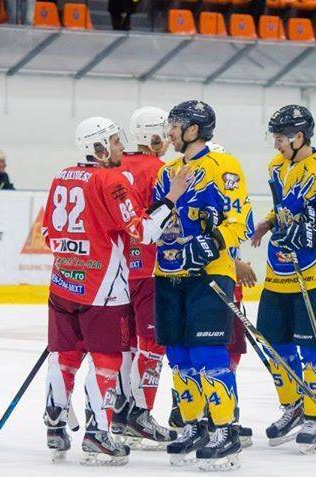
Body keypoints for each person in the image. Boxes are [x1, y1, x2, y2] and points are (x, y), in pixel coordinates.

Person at [42, 116, 189, 466]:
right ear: (98, 148)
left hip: (62, 283)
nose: (122, 147)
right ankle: (97, 433)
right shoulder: (112, 179)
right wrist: (171, 197)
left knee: (64, 354)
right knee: (107, 359)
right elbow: (144, 232)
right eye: (115, 141)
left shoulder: (62, 176)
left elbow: (49, 234)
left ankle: (54, 425)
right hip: (103, 289)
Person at [250, 105, 316, 453]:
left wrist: (315, 233)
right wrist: (269, 221)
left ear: (299, 137)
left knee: (313, 349)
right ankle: (294, 405)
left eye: (280, 138)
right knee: (273, 342)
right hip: (280, 271)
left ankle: (315, 415)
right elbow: (286, 206)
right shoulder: (277, 166)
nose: (276, 144)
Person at [154, 100, 252, 470]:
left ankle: (225, 430)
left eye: (175, 125)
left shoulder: (223, 166)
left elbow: (240, 218)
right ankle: (193, 425)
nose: (170, 132)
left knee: (208, 352)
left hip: (209, 275)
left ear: (194, 129)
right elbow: (155, 219)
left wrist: (211, 244)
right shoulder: (168, 172)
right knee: (179, 355)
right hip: (168, 273)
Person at [109, 107, 176, 450]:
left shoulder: (112, 166)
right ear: (153, 136)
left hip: (114, 274)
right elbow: (166, 223)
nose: (169, 139)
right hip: (149, 270)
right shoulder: (160, 170)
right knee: (152, 344)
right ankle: (140, 413)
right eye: (165, 132)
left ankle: (119, 413)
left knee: (125, 346)